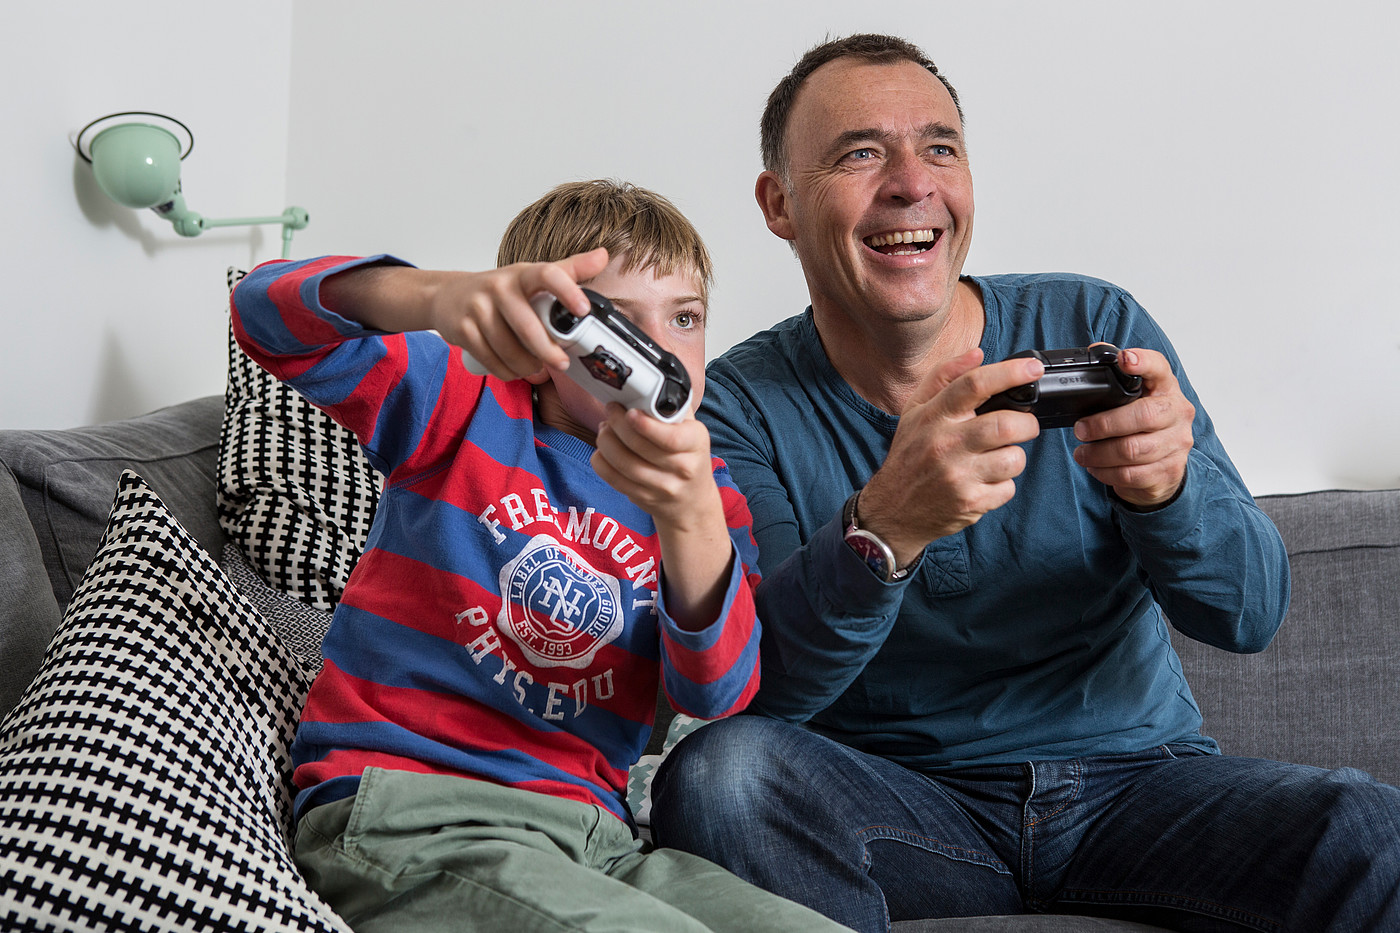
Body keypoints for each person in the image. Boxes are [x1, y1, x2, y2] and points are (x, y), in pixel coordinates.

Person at [649, 34, 1400, 932]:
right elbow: (759, 693)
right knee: (720, 776)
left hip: (1140, 790)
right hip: (901, 810)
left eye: (939, 148)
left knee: (1368, 824)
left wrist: (1167, 493)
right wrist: (883, 531)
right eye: (859, 153)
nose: (911, 183)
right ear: (779, 204)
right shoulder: (734, 407)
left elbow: (1252, 613)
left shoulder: (1090, 320)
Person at [231, 179, 851, 933]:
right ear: (535, 335)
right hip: (415, 815)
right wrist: (435, 298)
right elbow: (263, 312)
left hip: (596, 840)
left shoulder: (703, 490)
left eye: (685, 319)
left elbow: (716, 694)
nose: (664, 354)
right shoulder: (462, 403)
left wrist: (688, 521)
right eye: (620, 324)